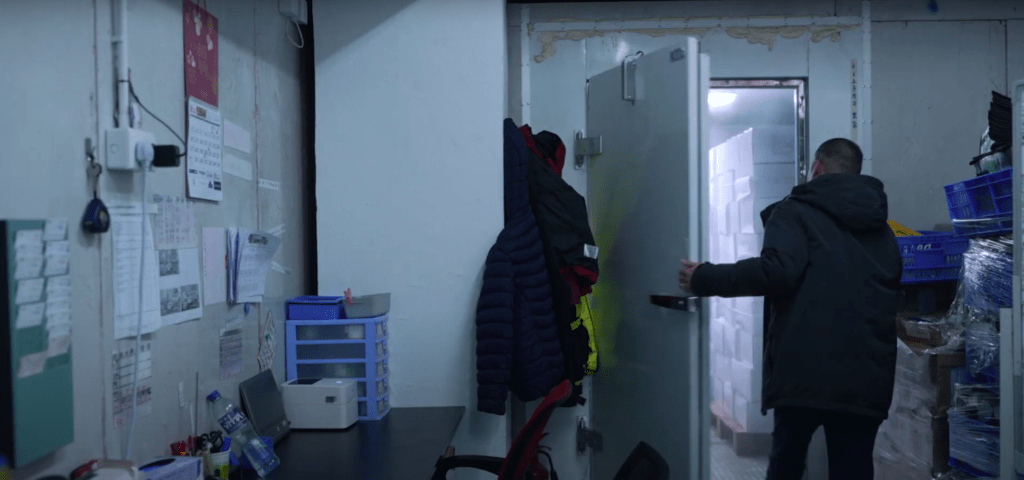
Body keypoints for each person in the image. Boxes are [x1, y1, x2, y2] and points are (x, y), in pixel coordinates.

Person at [679, 138, 902, 480]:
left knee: (786, 465)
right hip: (867, 375)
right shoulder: (882, 229)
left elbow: (776, 271)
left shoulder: (794, 211)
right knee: (853, 469)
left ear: (816, 167)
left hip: (804, 371)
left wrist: (703, 277)